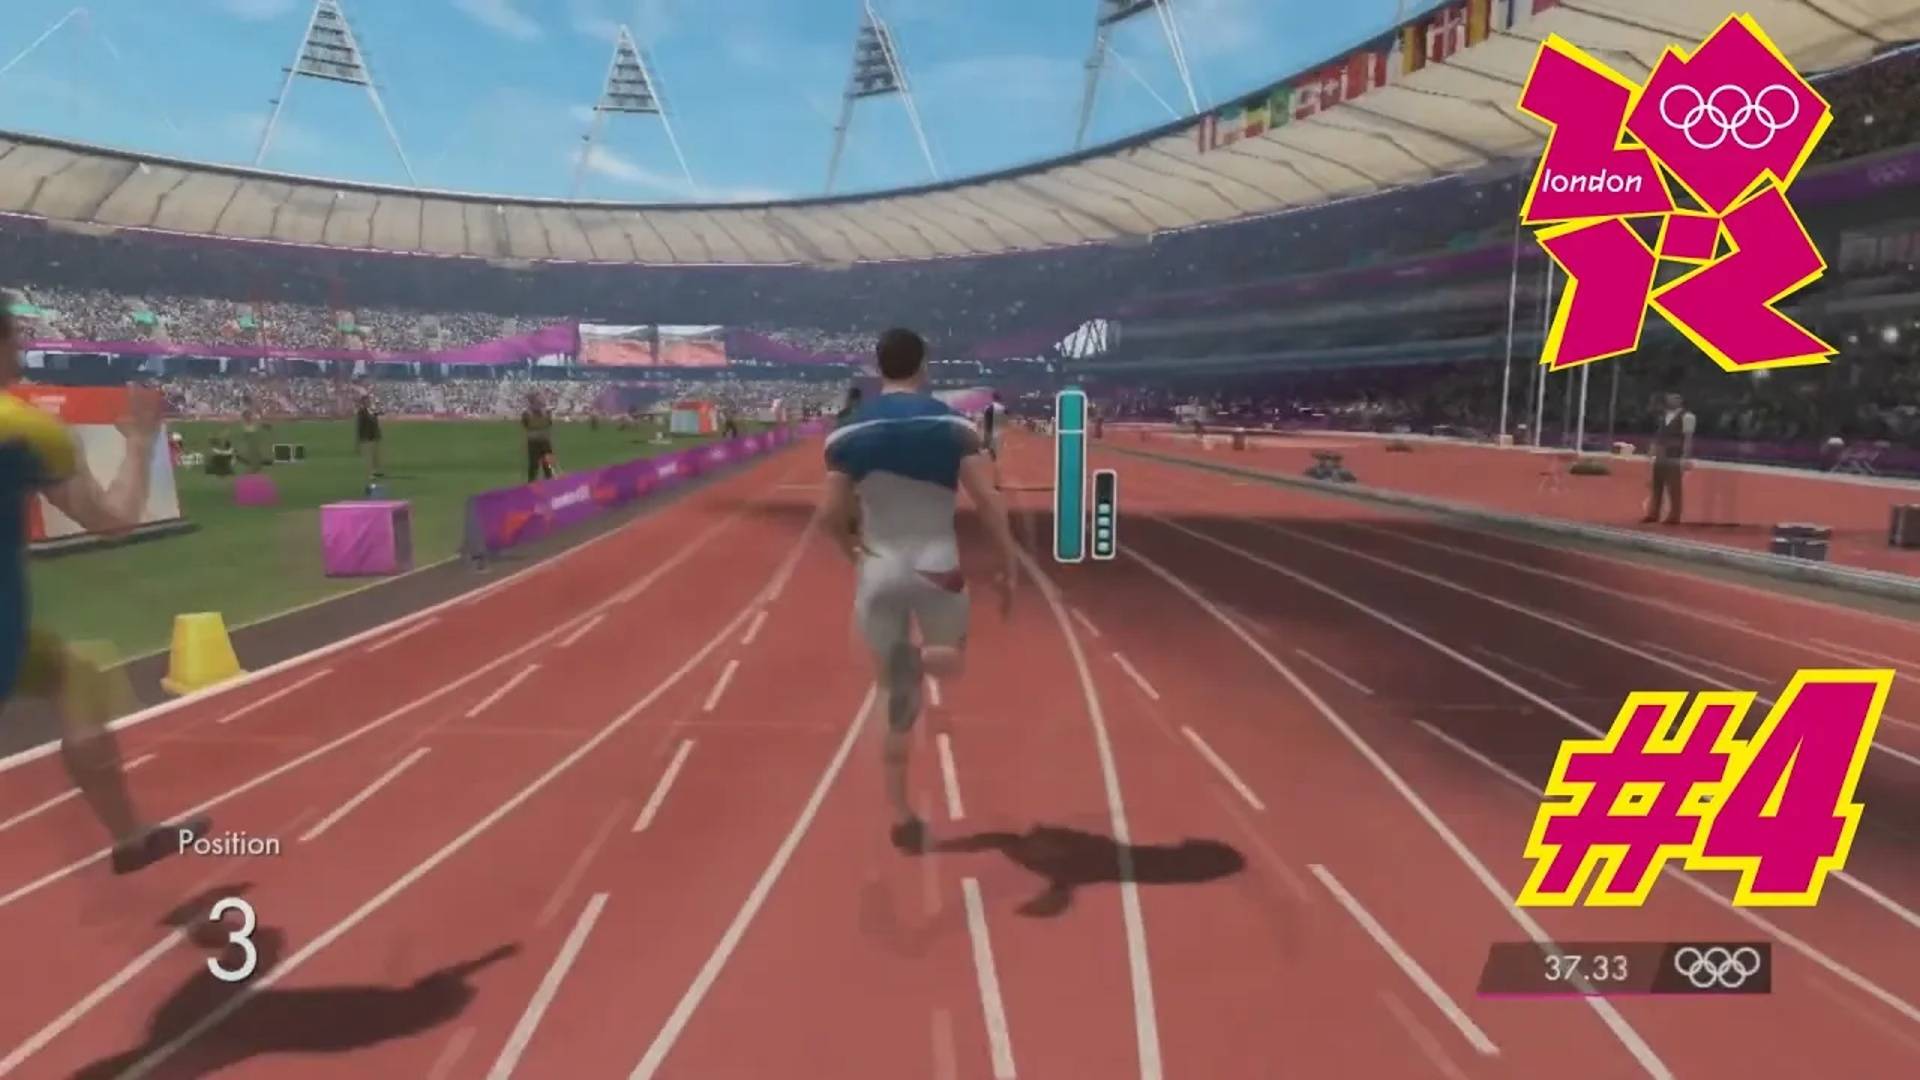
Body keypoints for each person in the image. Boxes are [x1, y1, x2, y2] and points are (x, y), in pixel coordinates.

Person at [0, 308, 209, 872]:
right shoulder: (28, 432)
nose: (22, 350)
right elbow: (112, 519)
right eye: (15, 339)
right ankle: (129, 836)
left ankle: (132, 837)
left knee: (69, 672)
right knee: (73, 678)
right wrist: (139, 443)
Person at [814, 328, 1020, 853]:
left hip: (880, 569)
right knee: (951, 660)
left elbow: (829, 515)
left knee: (894, 696)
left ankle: (902, 812)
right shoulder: (952, 426)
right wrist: (1008, 562)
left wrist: (852, 551)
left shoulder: (848, 432)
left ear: (878, 366)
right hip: (936, 567)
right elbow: (988, 501)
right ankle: (928, 657)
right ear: (923, 365)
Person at [1645, 390, 1694, 525]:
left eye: (1675, 398)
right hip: (1661, 453)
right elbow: (1659, 435)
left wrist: (1685, 457)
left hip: (1674, 454)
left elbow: (1688, 438)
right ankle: (1653, 513)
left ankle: (1674, 515)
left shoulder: (1687, 416)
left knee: (1674, 486)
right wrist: (1653, 449)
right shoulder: (1664, 416)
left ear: (1680, 400)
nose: (1671, 400)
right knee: (1657, 484)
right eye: (1669, 398)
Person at [521, 392, 556, 482]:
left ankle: (549, 480)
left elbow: (549, 423)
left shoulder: (546, 412)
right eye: (538, 400)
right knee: (534, 463)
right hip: (534, 441)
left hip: (544, 441)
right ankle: (532, 482)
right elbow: (526, 424)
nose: (541, 401)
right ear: (532, 401)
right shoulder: (527, 413)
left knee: (547, 463)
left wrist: (547, 414)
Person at [354, 385, 384, 481]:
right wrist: (359, 439)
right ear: (363, 401)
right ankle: (370, 473)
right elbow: (360, 425)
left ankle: (375, 471)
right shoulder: (361, 411)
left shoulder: (370, 409)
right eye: (366, 400)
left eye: (368, 400)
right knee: (369, 457)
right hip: (366, 436)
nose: (368, 401)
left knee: (375, 455)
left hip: (373, 435)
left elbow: (376, 418)